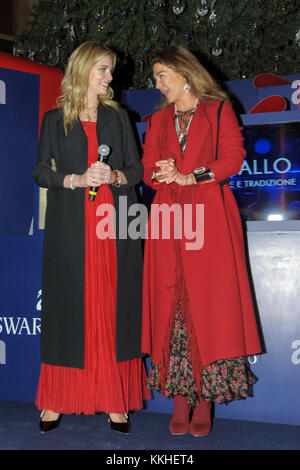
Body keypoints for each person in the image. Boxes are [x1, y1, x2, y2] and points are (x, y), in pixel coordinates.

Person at [141, 45, 262, 437]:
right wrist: (161, 173)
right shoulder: (157, 121)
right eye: (156, 77)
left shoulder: (219, 110)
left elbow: (234, 157)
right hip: (168, 221)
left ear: (184, 73)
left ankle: (204, 401)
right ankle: (180, 401)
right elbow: (146, 170)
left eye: (162, 75)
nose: (157, 84)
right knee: (172, 306)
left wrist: (190, 176)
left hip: (208, 217)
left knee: (206, 306)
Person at [33, 41, 148, 434]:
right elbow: (39, 173)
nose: (109, 77)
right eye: (103, 69)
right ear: (83, 70)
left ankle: (116, 401)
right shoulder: (53, 120)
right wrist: (76, 179)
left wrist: (114, 176)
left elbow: (136, 171)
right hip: (71, 227)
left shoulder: (119, 118)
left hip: (114, 226)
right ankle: (56, 400)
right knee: (69, 310)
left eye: (110, 71)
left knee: (112, 309)